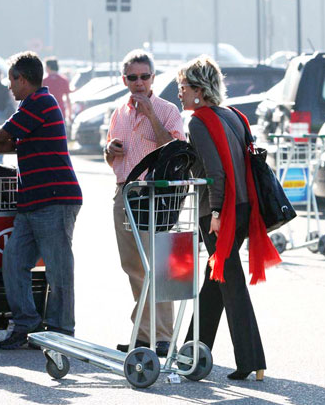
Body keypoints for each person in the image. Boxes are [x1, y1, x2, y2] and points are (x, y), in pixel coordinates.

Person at [177, 55, 281, 381]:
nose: (179, 94)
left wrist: (217, 214)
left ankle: (252, 359)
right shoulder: (233, 116)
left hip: (220, 211)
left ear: (198, 90)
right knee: (215, 281)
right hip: (244, 206)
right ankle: (192, 355)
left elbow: (215, 173)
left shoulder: (199, 121)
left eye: (183, 88)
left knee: (231, 284)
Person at [0, 51, 82, 350]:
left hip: (55, 199)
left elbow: (4, 133)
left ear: (23, 79)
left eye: (13, 80)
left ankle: (61, 331)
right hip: (31, 202)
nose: (10, 86)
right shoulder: (30, 107)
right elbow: (10, 142)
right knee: (13, 263)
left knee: (58, 269)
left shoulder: (40, 103)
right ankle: (27, 325)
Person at [105, 49, 185, 357]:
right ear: (124, 79)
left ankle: (162, 336)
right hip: (125, 192)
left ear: (153, 77)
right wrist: (109, 148)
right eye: (132, 77)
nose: (139, 83)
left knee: (159, 267)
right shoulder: (119, 112)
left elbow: (176, 147)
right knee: (134, 268)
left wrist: (150, 112)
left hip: (156, 195)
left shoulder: (166, 110)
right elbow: (110, 154)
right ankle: (143, 332)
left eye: (144, 77)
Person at [43, 57, 72, 126]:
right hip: (60, 111)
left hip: (47, 113)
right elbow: (68, 99)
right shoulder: (63, 80)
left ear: (48, 67)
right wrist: (70, 113)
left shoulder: (44, 81)